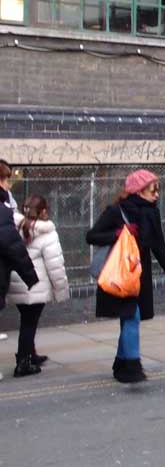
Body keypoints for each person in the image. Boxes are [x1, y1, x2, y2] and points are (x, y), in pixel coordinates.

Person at [86, 169, 165, 383]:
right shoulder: (116, 211)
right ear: (138, 191)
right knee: (131, 316)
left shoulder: (152, 213)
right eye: (152, 190)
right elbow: (91, 236)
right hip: (121, 274)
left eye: (158, 190)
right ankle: (132, 366)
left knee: (129, 318)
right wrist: (118, 233)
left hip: (140, 276)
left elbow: (158, 244)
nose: (157, 194)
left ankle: (121, 364)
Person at [7, 195, 69, 377]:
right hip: (36, 284)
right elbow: (55, 266)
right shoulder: (48, 233)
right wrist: (61, 289)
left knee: (26, 320)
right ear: (43, 211)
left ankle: (30, 354)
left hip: (17, 281)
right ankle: (23, 362)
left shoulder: (14, 226)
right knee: (29, 323)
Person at [0, 161, 38, 318]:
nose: (8, 186)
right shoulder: (3, 211)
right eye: (6, 180)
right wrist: (31, 277)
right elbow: (13, 246)